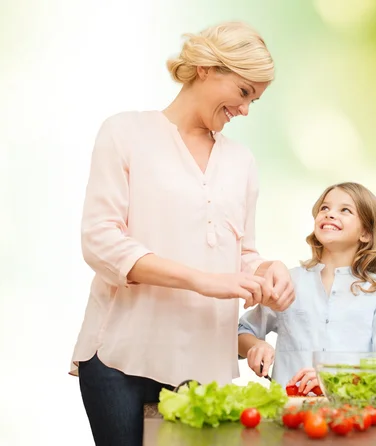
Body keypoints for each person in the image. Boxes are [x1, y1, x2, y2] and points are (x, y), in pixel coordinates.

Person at [70, 21, 295, 446]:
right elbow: (100, 241)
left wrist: (268, 268)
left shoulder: (241, 161)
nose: (246, 110)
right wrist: (202, 280)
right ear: (208, 68)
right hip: (124, 355)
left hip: (205, 365)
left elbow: (240, 252)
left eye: (255, 100)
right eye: (244, 92)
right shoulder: (125, 133)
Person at [238, 182, 376, 394]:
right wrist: (255, 346)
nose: (329, 214)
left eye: (345, 210)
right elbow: (242, 331)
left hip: (351, 413)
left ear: (365, 233)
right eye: (324, 208)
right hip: (289, 411)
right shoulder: (289, 281)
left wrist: (338, 378)